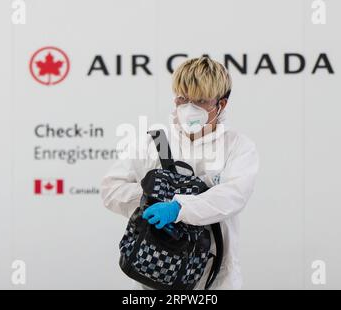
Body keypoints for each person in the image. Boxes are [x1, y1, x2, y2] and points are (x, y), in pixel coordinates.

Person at [101, 56, 259, 289]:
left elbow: (233, 196)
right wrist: (149, 200)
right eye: (183, 98)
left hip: (215, 278)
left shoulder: (237, 147)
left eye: (200, 100)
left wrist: (179, 208)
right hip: (155, 270)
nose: (189, 108)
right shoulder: (155, 142)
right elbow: (111, 188)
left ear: (221, 104)